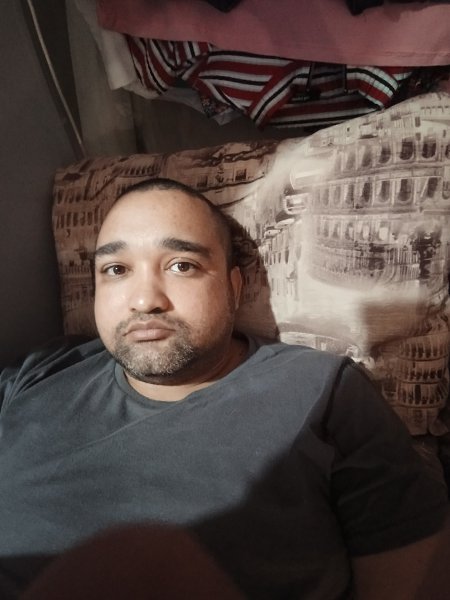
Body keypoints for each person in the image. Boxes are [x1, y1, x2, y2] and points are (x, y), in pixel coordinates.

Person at [0, 178, 448, 600]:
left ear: (234, 288)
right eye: (116, 269)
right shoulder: (41, 371)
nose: (145, 300)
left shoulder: (324, 392)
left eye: (182, 266)